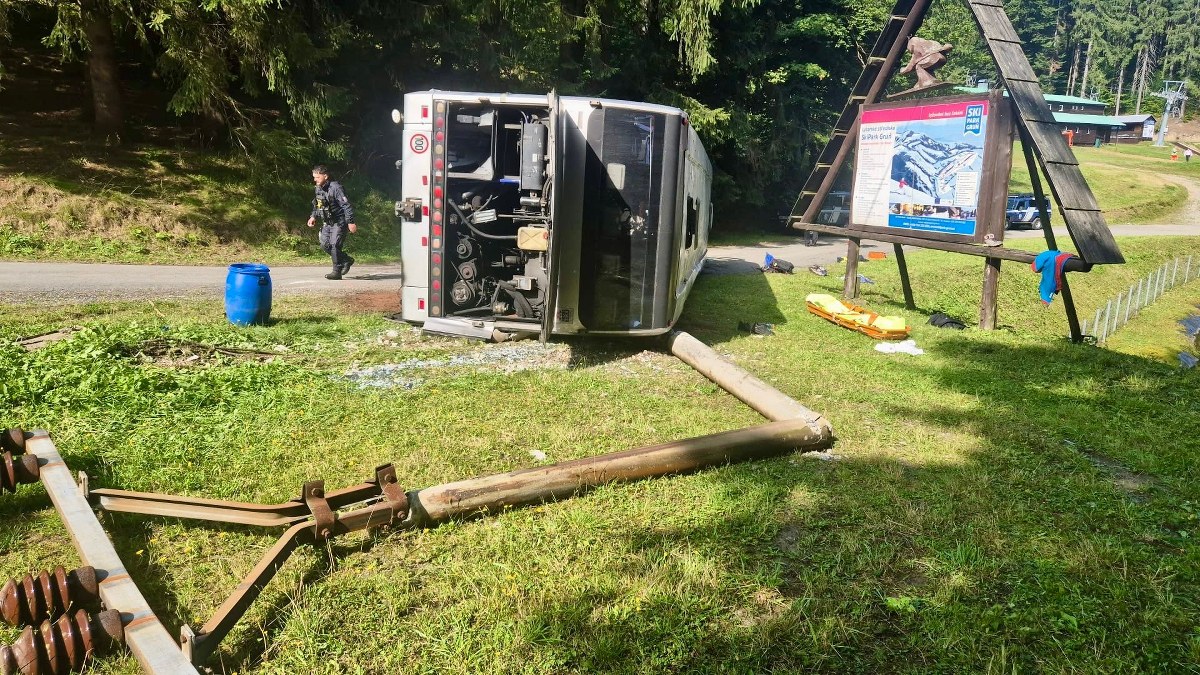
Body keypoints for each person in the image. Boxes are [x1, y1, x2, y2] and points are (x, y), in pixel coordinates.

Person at [307, 165, 357, 280]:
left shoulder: (336, 188)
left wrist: (350, 222)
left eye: (317, 177)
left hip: (339, 221)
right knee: (325, 245)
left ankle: (336, 272)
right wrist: (313, 216)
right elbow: (317, 205)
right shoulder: (318, 188)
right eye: (314, 177)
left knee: (335, 245)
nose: (315, 180)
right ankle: (346, 260)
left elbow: (346, 205)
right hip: (327, 222)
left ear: (325, 176)